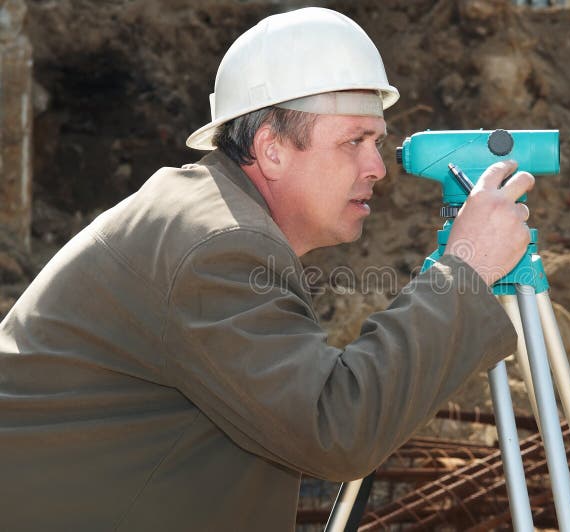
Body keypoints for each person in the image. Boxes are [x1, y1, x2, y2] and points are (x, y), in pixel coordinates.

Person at [0, 7, 534, 531]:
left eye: (378, 141)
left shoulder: (207, 214)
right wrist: (468, 266)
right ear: (271, 150)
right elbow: (335, 427)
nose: (377, 168)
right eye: (354, 141)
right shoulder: (219, 246)